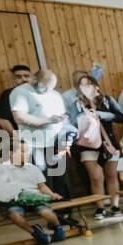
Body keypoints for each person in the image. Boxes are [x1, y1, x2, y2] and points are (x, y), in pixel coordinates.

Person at [10, 69, 72, 197]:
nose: (48, 90)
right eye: (45, 87)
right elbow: (20, 117)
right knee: (43, 179)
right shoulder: (21, 92)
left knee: (61, 177)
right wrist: (48, 120)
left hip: (55, 141)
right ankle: (50, 210)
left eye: (51, 88)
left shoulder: (54, 94)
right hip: (34, 142)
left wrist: (66, 135)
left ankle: (64, 212)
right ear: (34, 80)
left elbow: (63, 116)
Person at [0, 142, 66, 245]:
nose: (27, 154)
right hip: (16, 200)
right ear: (11, 153)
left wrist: (52, 194)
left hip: (36, 198)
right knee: (15, 215)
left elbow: (42, 186)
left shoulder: (32, 167)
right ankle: (35, 232)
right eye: (23, 151)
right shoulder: (2, 169)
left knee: (46, 212)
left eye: (27, 151)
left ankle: (58, 227)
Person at [72, 83, 121, 218]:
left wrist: (101, 114)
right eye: (82, 85)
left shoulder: (107, 100)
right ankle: (100, 207)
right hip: (88, 143)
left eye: (88, 84)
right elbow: (71, 122)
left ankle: (115, 205)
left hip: (108, 143)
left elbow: (121, 117)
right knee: (95, 178)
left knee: (112, 176)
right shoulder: (76, 104)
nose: (85, 87)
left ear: (96, 86)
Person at [0, 64, 33, 136]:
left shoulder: (38, 93)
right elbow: (2, 119)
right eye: (18, 77)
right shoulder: (8, 95)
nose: (24, 79)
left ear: (31, 77)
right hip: (24, 137)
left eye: (26, 76)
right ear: (13, 79)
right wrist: (18, 137)